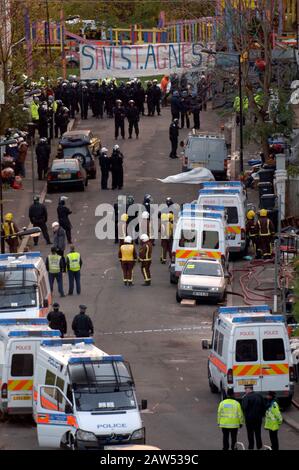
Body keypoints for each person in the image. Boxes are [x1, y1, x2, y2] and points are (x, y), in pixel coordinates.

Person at [241, 384, 266, 450]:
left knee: (250, 434)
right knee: (258, 433)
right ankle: (259, 446)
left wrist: (243, 399)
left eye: (245, 389)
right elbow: (264, 406)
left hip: (249, 419)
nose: (245, 390)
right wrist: (262, 415)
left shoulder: (246, 397)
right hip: (258, 418)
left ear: (249, 389)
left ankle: (251, 447)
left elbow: (244, 407)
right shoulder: (259, 396)